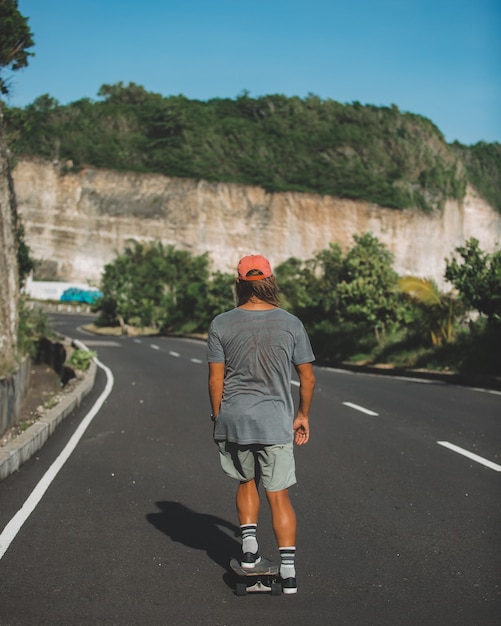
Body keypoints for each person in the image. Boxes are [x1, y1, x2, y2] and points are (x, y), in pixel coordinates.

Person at [207, 254, 315, 595]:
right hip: (274, 421)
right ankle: (288, 573)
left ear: (239, 284)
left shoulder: (221, 323)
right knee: (278, 495)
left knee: (245, 481)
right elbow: (308, 378)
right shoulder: (291, 323)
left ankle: (250, 552)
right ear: (270, 281)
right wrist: (302, 415)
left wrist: (217, 415)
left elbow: (215, 379)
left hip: (236, 419)